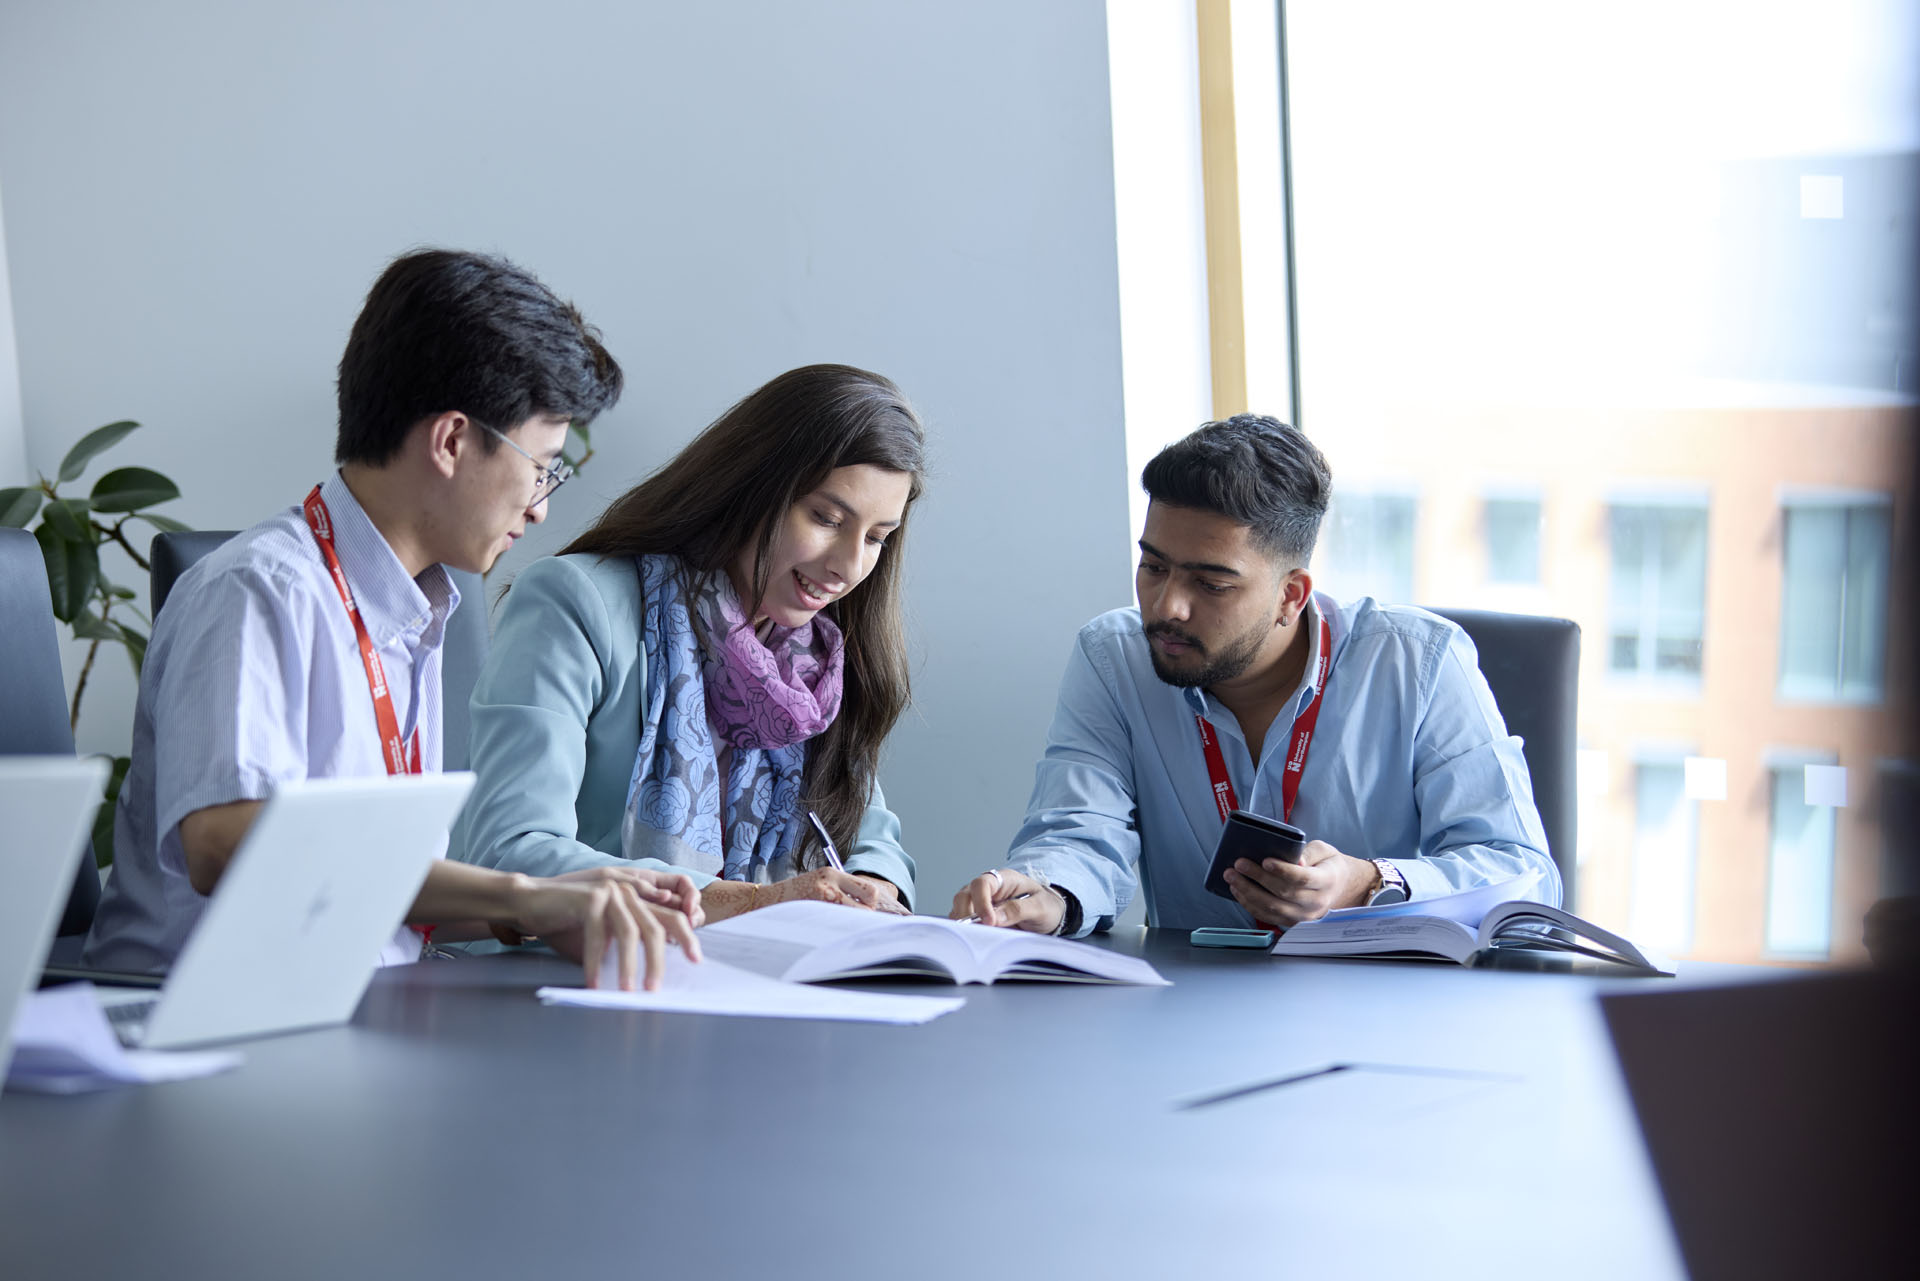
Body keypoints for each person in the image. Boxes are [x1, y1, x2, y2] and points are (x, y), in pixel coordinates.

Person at [84, 249, 701, 990]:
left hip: (356, 1007)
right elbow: (224, 844)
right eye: (541, 467)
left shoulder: (417, 605)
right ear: (450, 441)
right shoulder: (258, 589)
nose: (540, 506)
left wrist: (547, 910)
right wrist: (522, 893)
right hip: (199, 1025)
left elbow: (372, 889)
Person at [952, 413, 1556, 936]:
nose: (1167, 607)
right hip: (1188, 1015)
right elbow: (1080, 831)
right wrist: (1049, 895)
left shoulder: (1419, 662)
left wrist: (1370, 883)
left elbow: (1527, 880)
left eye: (1211, 584)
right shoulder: (1113, 658)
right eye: (1153, 567)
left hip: (1378, 1008)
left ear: (1291, 596)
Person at [453, 364, 923, 920]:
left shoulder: (813, 667)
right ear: (751, 487)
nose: (848, 565)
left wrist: (867, 888)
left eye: (876, 538)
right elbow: (511, 850)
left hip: (749, 985)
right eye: (825, 517)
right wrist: (755, 902)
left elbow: (876, 843)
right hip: (557, 982)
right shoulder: (576, 601)